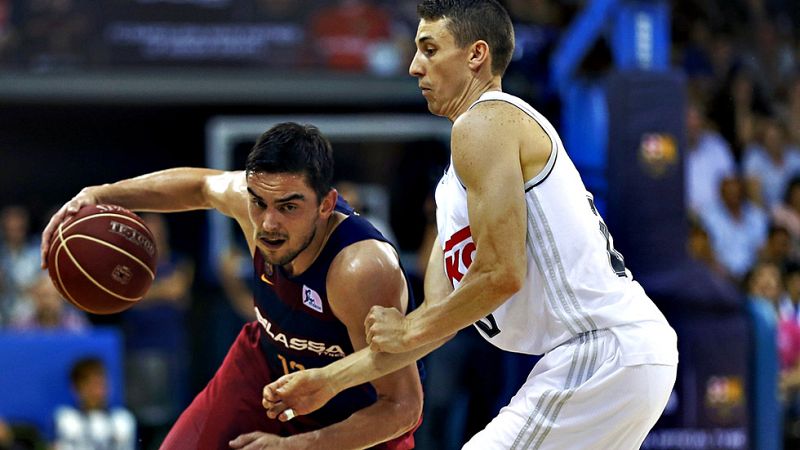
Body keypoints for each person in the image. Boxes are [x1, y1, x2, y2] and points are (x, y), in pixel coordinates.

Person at [262, 1, 678, 449]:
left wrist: (407, 330)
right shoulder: (452, 193)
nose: (413, 66)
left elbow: (501, 274)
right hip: (610, 356)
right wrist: (331, 380)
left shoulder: (487, 120)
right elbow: (435, 323)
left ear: (476, 54)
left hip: (602, 347)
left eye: (429, 49)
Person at [40, 122, 424, 450]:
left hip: (353, 413)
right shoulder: (252, 205)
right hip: (265, 367)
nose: (268, 223)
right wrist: (101, 194)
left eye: (289, 207)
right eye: (259, 203)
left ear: (327, 205)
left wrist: (296, 446)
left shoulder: (362, 269)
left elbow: (402, 407)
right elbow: (199, 186)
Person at [53, 357, 136, 450]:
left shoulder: (123, 419)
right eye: (91, 384)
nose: (97, 391)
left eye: (101, 383)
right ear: (76, 388)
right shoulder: (65, 418)